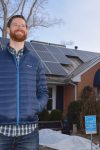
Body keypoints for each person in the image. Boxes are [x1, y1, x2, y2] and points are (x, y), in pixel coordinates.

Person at [0, 15, 48, 150]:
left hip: (29, 133)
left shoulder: (35, 61)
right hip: (1, 131)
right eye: (16, 24)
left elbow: (43, 91)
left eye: (23, 25)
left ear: (26, 31)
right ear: (8, 29)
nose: (20, 27)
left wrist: (36, 106)